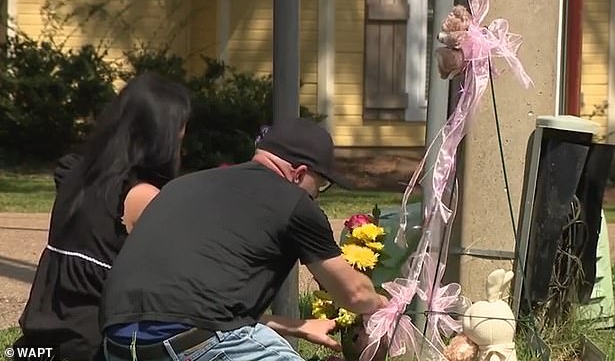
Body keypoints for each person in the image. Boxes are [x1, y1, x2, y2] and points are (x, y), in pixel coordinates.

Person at [99, 117, 388, 361]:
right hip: (195, 344)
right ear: (299, 174)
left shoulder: (182, 186)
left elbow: (189, 306)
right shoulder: (294, 202)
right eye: (321, 184)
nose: (317, 195)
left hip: (119, 343)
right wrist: (384, 306)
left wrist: (295, 326)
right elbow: (354, 295)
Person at [14, 72, 191, 361]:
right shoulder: (140, 197)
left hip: (35, 343)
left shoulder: (74, 174)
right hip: (92, 347)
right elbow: (183, 283)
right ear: (163, 135)